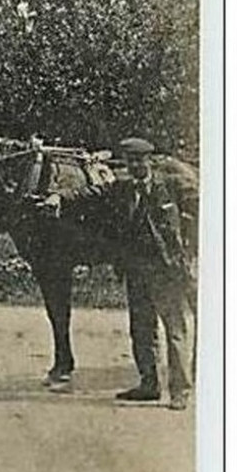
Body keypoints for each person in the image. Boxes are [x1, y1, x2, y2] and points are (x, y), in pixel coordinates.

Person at [42, 136, 198, 410]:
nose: (135, 164)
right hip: (135, 269)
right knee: (141, 329)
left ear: (150, 160)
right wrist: (58, 196)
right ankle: (149, 385)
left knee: (175, 330)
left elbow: (200, 212)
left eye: (140, 159)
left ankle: (180, 391)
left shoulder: (169, 185)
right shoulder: (122, 188)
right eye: (130, 160)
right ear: (125, 162)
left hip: (166, 268)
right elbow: (90, 194)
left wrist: (188, 249)